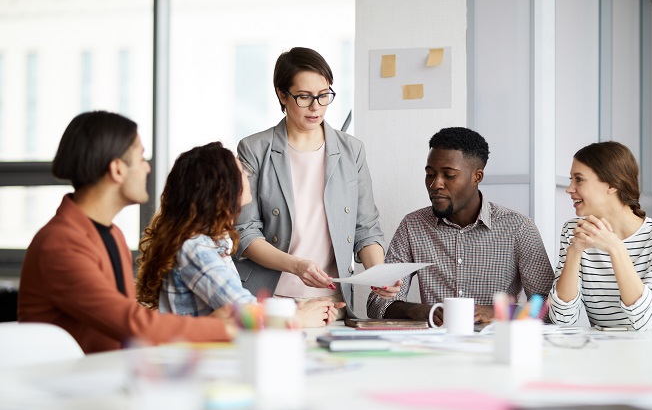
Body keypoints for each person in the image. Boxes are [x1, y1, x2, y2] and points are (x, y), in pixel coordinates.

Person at [18, 111, 234, 353]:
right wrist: (221, 328)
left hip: (106, 371)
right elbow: (131, 323)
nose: (147, 169)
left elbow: (128, 317)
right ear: (118, 169)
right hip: (65, 383)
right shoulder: (60, 244)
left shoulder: (112, 234)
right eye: (141, 158)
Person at [234, 47, 398, 318]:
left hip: (332, 302)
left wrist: (378, 274)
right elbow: (245, 232)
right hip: (269, 300)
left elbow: (365, 228)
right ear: (282, 94)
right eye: (304, 97)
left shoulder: (351, 150)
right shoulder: (254, 149)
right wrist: (297, 266)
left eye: (324, 96)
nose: (316, 107)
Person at [136, 142, 343, 327]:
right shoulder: (195, 247)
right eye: (242, 172)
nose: (248, 176)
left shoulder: (213, 241)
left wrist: (310, 309)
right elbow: (242, 309)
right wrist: (300, 317)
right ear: (221, 188)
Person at [367, 127, 554, 324]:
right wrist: (420, 311)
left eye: (449, 175)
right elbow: (377, 303)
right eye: (430, 174)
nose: (436, 184)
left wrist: (498, 312)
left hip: (496, 346)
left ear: (477, 177)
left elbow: (548, 307)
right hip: (434, 347)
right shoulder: (413, 226)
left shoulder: (518, 228)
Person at [548, 141, 652, 330]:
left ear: (612, 184)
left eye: (579, 179)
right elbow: (561, 319)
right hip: (600, 351)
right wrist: (574, 252)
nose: (569, 188)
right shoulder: (574, 230)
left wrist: (616, 248)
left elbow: (648, 323)